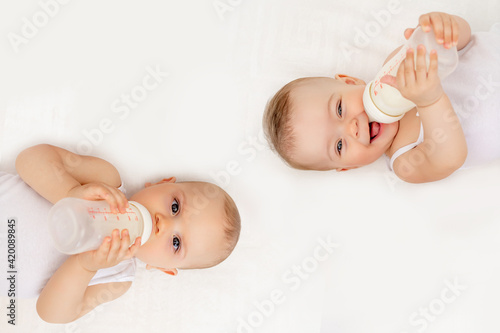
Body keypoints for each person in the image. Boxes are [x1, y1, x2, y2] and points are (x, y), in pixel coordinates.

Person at [0, 144, 240, 323]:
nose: (162, 224)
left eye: (176, 243)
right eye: (175, 207)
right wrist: (70, 191)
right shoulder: (106, 181)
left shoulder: (117, 279)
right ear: (162, 183)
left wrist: (85, 265)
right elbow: (30, 159)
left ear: (163, 268)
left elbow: (51, 313)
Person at [263, 12, 500, 183]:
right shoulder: (405, 162)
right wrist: (430, 101)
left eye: (339, 110)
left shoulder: (394, 68)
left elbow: (462, 41)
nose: (353, 128)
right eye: (338, 145)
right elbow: (451, 158)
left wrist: (444, 28)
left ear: (350, 81)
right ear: (349, 166)